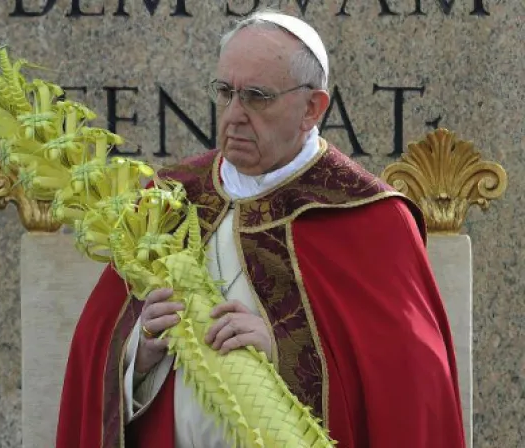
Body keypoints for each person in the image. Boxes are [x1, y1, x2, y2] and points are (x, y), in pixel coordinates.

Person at [55, 9, 467, 448]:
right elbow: (93, 349)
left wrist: (284, 351)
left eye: (256, 96)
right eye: (225, 92)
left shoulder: (370, 218)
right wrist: (138, 349)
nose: (234, 114)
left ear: (312, 107)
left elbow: (409, 388)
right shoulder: (169, 200)